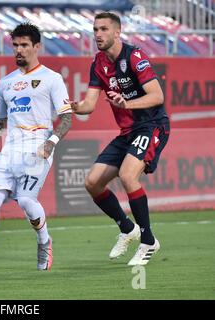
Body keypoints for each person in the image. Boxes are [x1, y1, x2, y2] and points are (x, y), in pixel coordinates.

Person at [0, 22, 72, 272]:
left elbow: (67, 118)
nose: (19, 50)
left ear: (37, 47)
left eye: (24, 45)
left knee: (26, 201)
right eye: (16, 45)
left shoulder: (52, 79)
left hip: (38, 146)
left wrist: (50, 145)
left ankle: (45, 242)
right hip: (10, 150)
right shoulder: (6, 83)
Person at [71, 12, 170, 266]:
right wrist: (71, 106)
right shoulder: (98, 63)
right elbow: (88, 106)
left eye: (103, 29)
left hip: (152, 126)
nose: (98, 34)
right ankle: (127, 228)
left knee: (128, 175)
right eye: (95, 29)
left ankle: (148, 240)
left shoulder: (135, 57)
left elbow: (157, 95)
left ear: (117, 32)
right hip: (127, 133)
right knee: (92, 182)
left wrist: (128, 103)